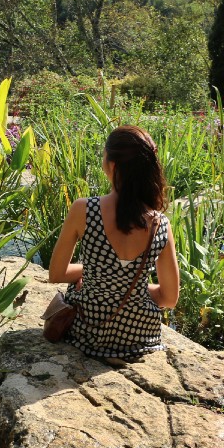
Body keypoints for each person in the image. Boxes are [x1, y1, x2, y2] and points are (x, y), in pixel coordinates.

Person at [48, 125, 179, 360]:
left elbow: (56, 273)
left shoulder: (84, 209)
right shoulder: (161, 224)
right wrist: (128, 284)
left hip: (89, 332)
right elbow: (169, 299)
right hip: (140, 335)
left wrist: (97, 275)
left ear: (113, 165)